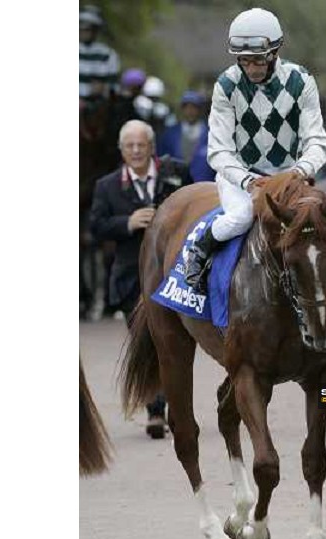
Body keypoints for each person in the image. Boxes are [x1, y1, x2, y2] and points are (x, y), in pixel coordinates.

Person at [183, 7, 326, 292]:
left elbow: (317, 141)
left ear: (275, 52)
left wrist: (297, 173)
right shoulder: (226, 85)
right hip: (242, 177)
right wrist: (249, 181)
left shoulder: (302, 81)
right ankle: (200, 251)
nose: (251, 69)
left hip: (290, 177)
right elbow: (218, 150)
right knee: (240, 218)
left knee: (317, 221)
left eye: (258, 61)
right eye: (244, 61)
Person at [90, 120, 193, 438]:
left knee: (176, 341)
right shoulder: (107, 186)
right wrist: (127, 222)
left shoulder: (175, 172)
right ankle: (156, 411)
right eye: (129, 146)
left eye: (141, 145)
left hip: (173, 274)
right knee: (148, 342)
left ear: (152, 147)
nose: (135, 151)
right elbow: (96, 225)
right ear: (122, 151)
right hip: (130, 279)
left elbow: (197, 206)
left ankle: (176, 406)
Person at [157, 91, 215, 183]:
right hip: (176, 188)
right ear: (182, 109)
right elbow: (161, 160)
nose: (190, 111)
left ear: (200, 109)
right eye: (186, 107)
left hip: (204, 187)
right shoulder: (170, 134)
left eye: (194, 107)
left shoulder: (213, 134)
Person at [79, 5, 120, 100]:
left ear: (96, 30)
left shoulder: (108, 54)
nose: (84, 32)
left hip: (97, 104)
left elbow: (114, 86)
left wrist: (104, 88)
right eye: (81, 27)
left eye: (88, 28)